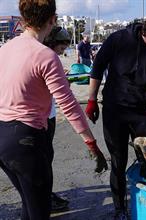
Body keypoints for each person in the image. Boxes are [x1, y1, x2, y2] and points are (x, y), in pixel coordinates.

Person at [0, 1, 107, 219]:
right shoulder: (46, 56)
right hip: (25, 140)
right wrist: (91, 143)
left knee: (29, 207)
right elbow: (68, 104)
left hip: (2, 137)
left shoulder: (6, 48)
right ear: (52, 20)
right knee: (39, 211)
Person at [85, 3, 146, 218]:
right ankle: (120, 209)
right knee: (118, 162)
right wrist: (91, 99)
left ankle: (144, 199)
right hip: (114, 111)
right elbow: (98, 66)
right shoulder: (119, 40)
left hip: (141, 114)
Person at [43, 26, 72, 212]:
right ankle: (44, 197)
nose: (62, 53)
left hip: (49, 114)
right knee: (44, 160)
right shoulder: (46, 58)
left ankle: (46, 193)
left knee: (47, 157)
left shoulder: (49, 57)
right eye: (61, 49)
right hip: (43, 118)